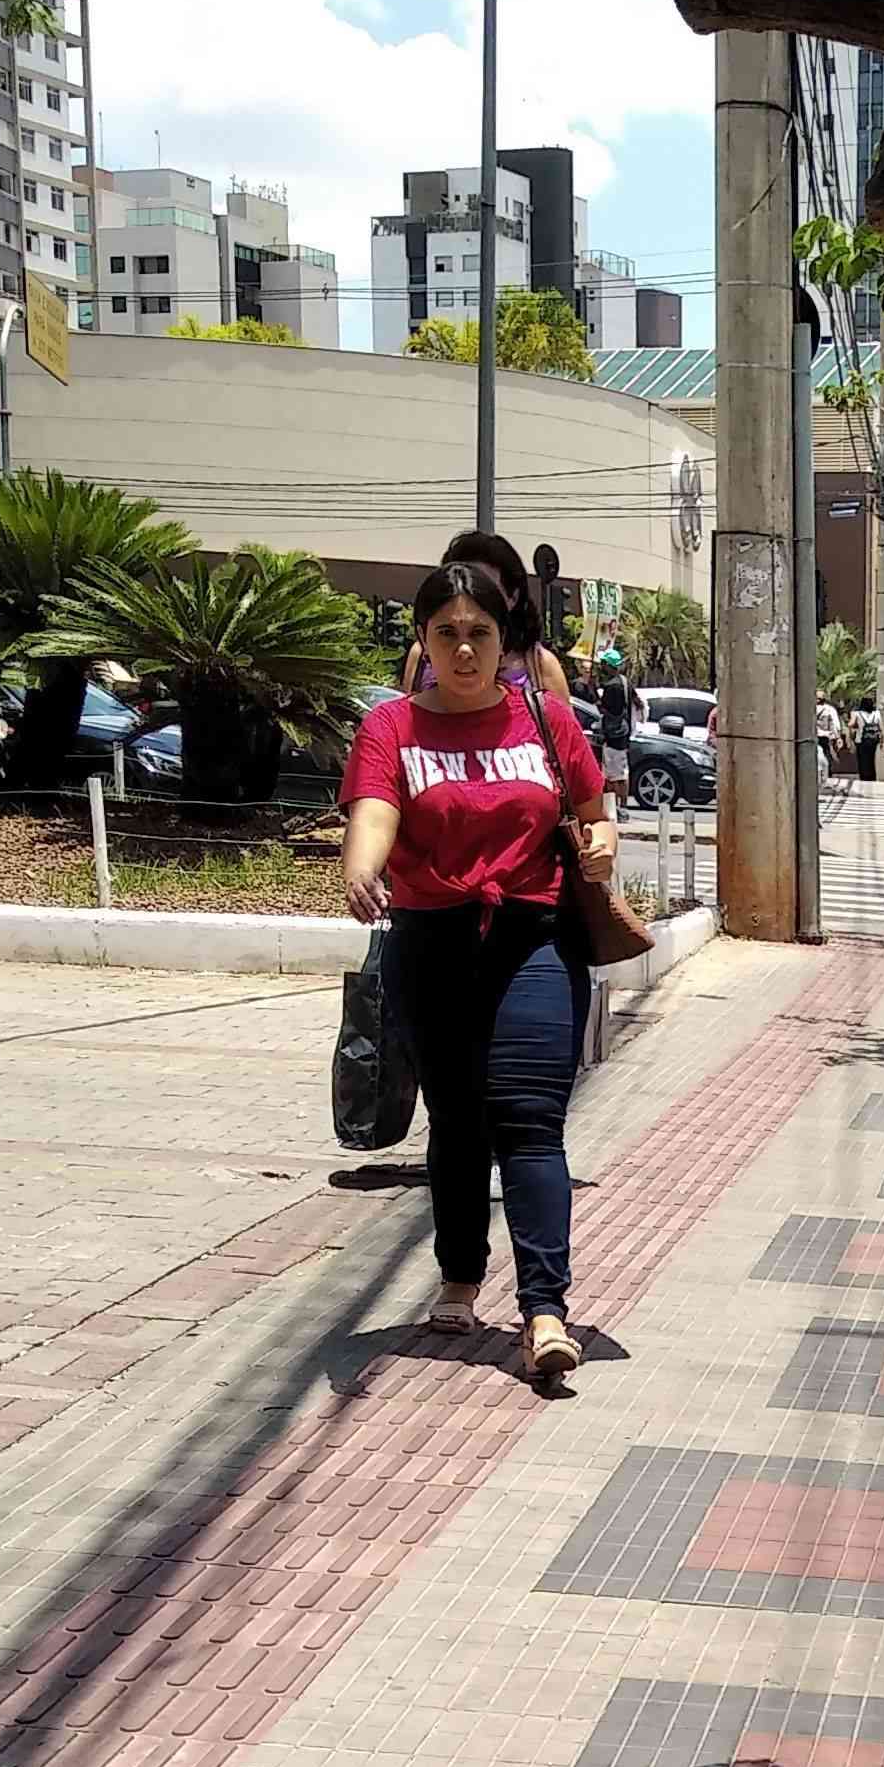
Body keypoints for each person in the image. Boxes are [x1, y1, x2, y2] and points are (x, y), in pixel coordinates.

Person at [343, 559, 616, 1396]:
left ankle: (545, 1313)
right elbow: (375, 808)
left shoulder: (544, 719)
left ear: (504, 641)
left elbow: (595, 813)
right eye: (447, 634)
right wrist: (362, 867)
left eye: (480, 634)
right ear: (423, 642)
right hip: (432, 940)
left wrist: (603, 845)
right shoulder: (392, 726)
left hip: (534, 937)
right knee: (458, 1120)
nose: (464, 650)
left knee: (530, 1121)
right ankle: (461, 1275)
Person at [401, 528, 570, 709]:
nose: (469, 597)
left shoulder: (540, 665)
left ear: (513, 597)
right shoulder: (420, 656)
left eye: (483, 589)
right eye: (460, 584)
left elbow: (560, 724)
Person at [592, 645, 639, 773]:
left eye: (603, 663)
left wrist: (596, 698)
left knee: (614, 772)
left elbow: (606, 711)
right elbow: (635, 700)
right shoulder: (625, 681)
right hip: (624, 731)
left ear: (608, 665)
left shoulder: (611, 686)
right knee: (622, 770)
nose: (601, 666)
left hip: (614, 734)